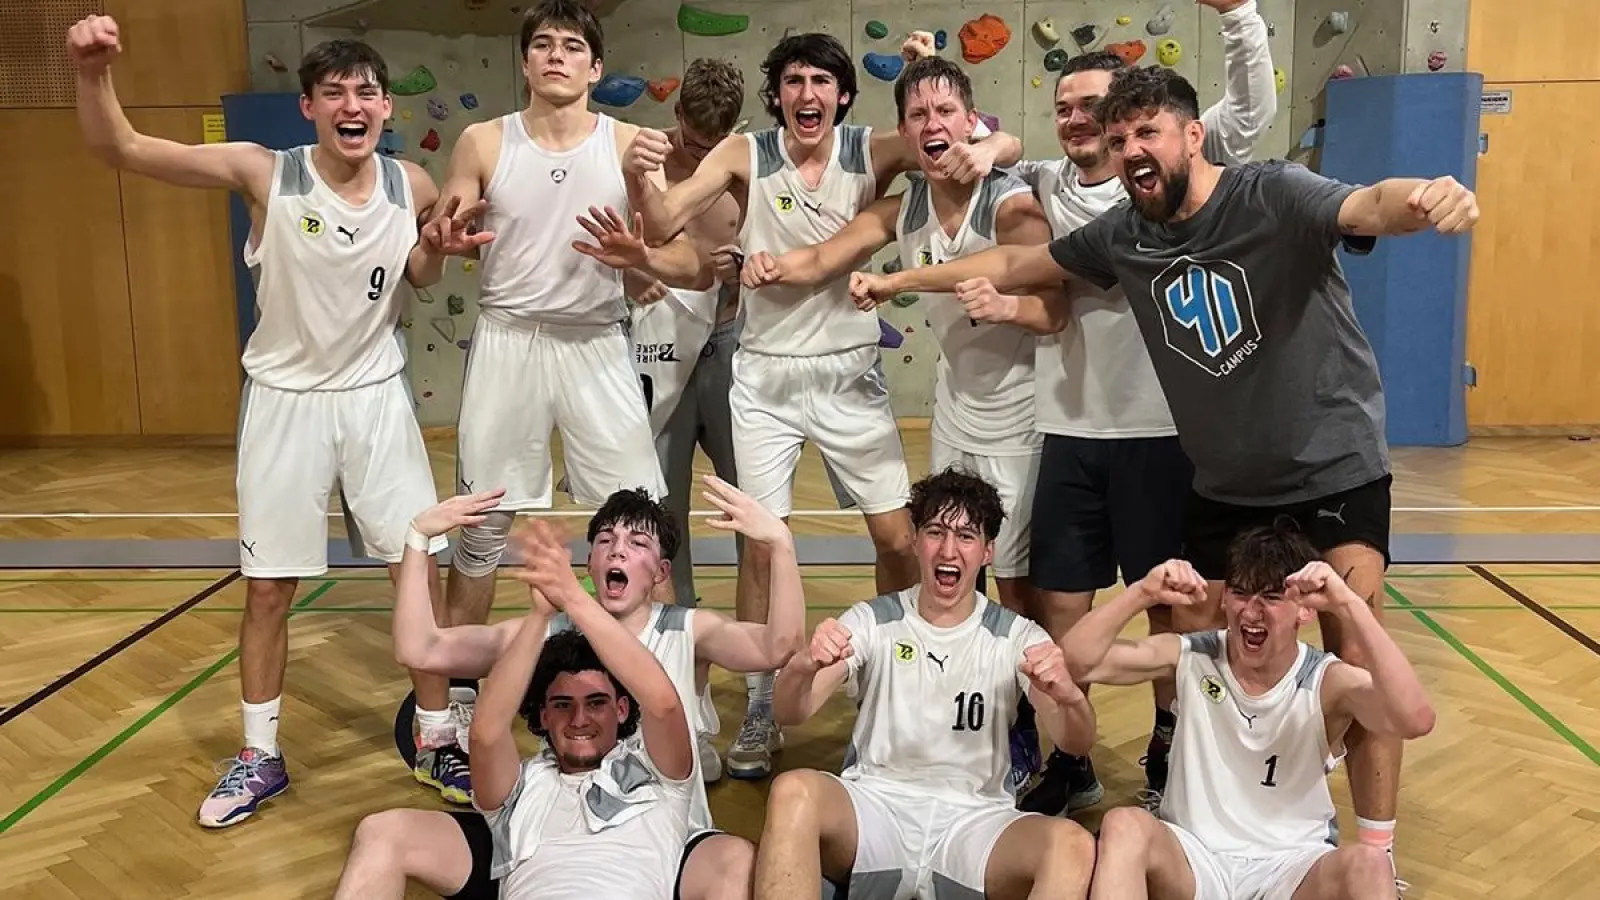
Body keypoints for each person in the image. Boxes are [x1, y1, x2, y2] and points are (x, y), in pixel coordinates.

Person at [850, 63, 1478, 883]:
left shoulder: (1270, 193)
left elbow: (1366, 205)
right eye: (1119, 140)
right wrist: (899, 278)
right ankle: (1220, 820)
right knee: (1207, 655)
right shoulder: (1124, 235)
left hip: (1331, 468)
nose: (1131, 150)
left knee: (1355, 655)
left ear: (1193, 134)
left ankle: (1377, 852)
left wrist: (1426, 195)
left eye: (1147, 132)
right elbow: (1012, 265)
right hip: (1224, 483)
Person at [67, 16, 492, 824]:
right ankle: (260, 756)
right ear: (308, 108)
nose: (351, 104)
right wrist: (92, 73)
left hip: (376, 399)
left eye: (365, 91)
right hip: (284, 404)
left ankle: (438, 736)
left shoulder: (412, 183)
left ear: (385, 108)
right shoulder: (264, 172)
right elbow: (121, 148)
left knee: (416, 572)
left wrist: (438, 248)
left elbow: (420, 274)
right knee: (268, 590)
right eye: (333, 92)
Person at [613, 32, 1024, 780]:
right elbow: (665, 220)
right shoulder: (743, 153)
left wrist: (996, 147)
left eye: (822, 81)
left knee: (896, 537)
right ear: (778, 94)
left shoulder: (874, 149)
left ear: (843, 95)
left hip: (848, 373)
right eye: (795, 80)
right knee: (761, 543)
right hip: (764, 376)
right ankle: (760, 701)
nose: (808, 93)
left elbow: (971, 139)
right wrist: (640, 177)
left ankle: (893, 674)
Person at [968, 0, 1277, 818]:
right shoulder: (1045, 182)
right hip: (1068, 430)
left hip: (1160, 434)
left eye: (1094, 108)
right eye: (1064, 107)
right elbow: (999, 153)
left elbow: (1249, 112)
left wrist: (1241, 17)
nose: (1077, 120)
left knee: (1173, 603)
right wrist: (992, 144)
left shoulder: (1166, 179)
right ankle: (1071, 754)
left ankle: (1172, 742)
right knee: (1058, 605)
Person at [736, 55, 1059, 793]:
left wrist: (902, 281)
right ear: (905, 135)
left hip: (1022, 415)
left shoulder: (1008, 198)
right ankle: (938, 698)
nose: (932, 124)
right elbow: (825, 255)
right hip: (954, 409)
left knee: (1013, 582)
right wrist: (765, 265)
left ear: (972, 122)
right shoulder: (903, 205)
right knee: (945, 554)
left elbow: (1041, 279)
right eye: (918, 115)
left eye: (946, 112)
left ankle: (1026, 728)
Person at [429, 0, 710, 769]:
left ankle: (662, 696)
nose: (557, 55)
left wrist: (641, 245)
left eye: (573, 46)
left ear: (595, 66)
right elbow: (449, 228)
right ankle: (457, 709)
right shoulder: (484, 140)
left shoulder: (627, 145)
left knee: (641, 523)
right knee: (480, 528)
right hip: (509, 341)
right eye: (544, 44)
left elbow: (684, 257)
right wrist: (446, 238)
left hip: (595, 344)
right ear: (525, 61)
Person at [340, 475, 803, 900]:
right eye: (606, 541)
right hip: (553, 807)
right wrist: (417, 538)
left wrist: (780, 544)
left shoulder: (686, 629)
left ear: (661, 573)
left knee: (736, 859)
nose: (618, 551)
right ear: (589, 562)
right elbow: (419, 649)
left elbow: (779, 645)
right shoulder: (543, 629)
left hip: (662, 820)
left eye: (637, 543)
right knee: (385, 831)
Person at [752, 468, 1098, 900]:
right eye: (935, 532)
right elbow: (789, 712)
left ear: (988, 551)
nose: (948, 550)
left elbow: (1076, 741)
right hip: (876, 809)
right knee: (792, 790)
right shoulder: (871, 620)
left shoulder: (1018, 637)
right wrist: (805, 664)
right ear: (915, 541)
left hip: (974, 824)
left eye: (966, 536)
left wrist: (1069, 697)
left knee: (1072, 845)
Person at [1060, 527, 1435, 900]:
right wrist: (1142, 592)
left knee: (1371, 865)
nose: (1251, 611)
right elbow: (1075, 662)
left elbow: (1415, 719)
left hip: (1291, 867)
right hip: (1196, 861)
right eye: (1240, 593)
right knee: (1123, 825)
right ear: (1224, 598)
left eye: (1270, 597)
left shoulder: (1326, 680)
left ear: (1305, 609)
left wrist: (1348, 604)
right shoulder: (1192, 655)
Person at [336, 521, 698, 899]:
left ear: (622, 709)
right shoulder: (521, 786)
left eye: (596, 703)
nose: (579, 719)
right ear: (543, 716)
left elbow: (663, 703)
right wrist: (540, 615)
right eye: (562, 705)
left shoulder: (659, 777)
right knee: (378, 829)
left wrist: (573, 597)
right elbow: (486, 733)